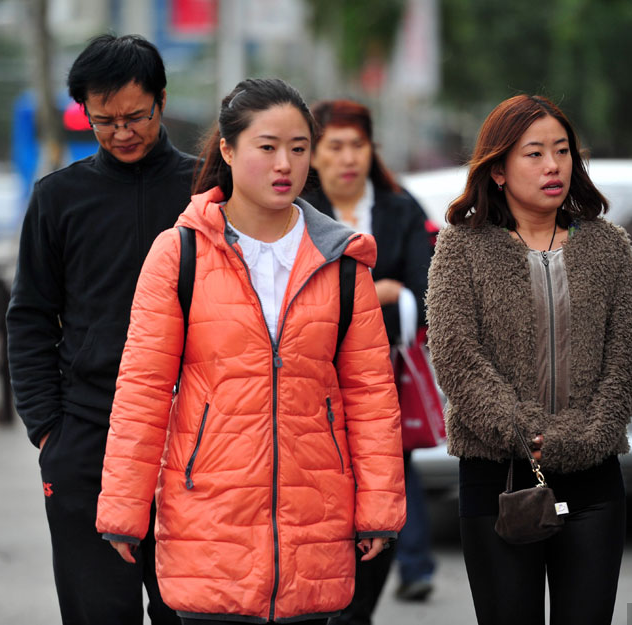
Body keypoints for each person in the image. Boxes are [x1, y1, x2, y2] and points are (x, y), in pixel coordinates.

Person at [95, 78, 406, 625]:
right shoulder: (178, 253)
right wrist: (123, 510)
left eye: (299, 148)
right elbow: (142, 390)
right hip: (209, 525)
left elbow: (371, 395)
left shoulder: (342, 261)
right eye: (267, 147)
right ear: (228, 149)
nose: (285, 164)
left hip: (314, 526)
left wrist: (379, 509)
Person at [425, 94, 632, 624]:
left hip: (593, 477)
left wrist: (585, 438)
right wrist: (525, 431)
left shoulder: (608, 248)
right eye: (534, 153)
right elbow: (457, 359)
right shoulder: (461, 248)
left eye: (563, 151)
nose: (553, 166)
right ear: (497, 169)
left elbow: (625, 361)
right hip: (497, 477)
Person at [6, 34, 196, 625]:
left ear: (161, 102)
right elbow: (30, 317)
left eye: (135, 116)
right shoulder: (58, 199)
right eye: (103, 120)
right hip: (88, 437)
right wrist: (48, 432)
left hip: (193, 437)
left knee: (190, 612)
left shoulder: (207, 192)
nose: (121, 132)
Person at [304, 99, 437, 621]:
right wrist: (373, 291)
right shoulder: (296, 211)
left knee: (389, 483)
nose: (347, 158)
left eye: (357, 145)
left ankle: (380, 592)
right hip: (313, 383)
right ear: (313, 155)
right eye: (334, 146)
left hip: (385, 381)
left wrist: (392, 295)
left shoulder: (401, 210)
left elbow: (426, 290)